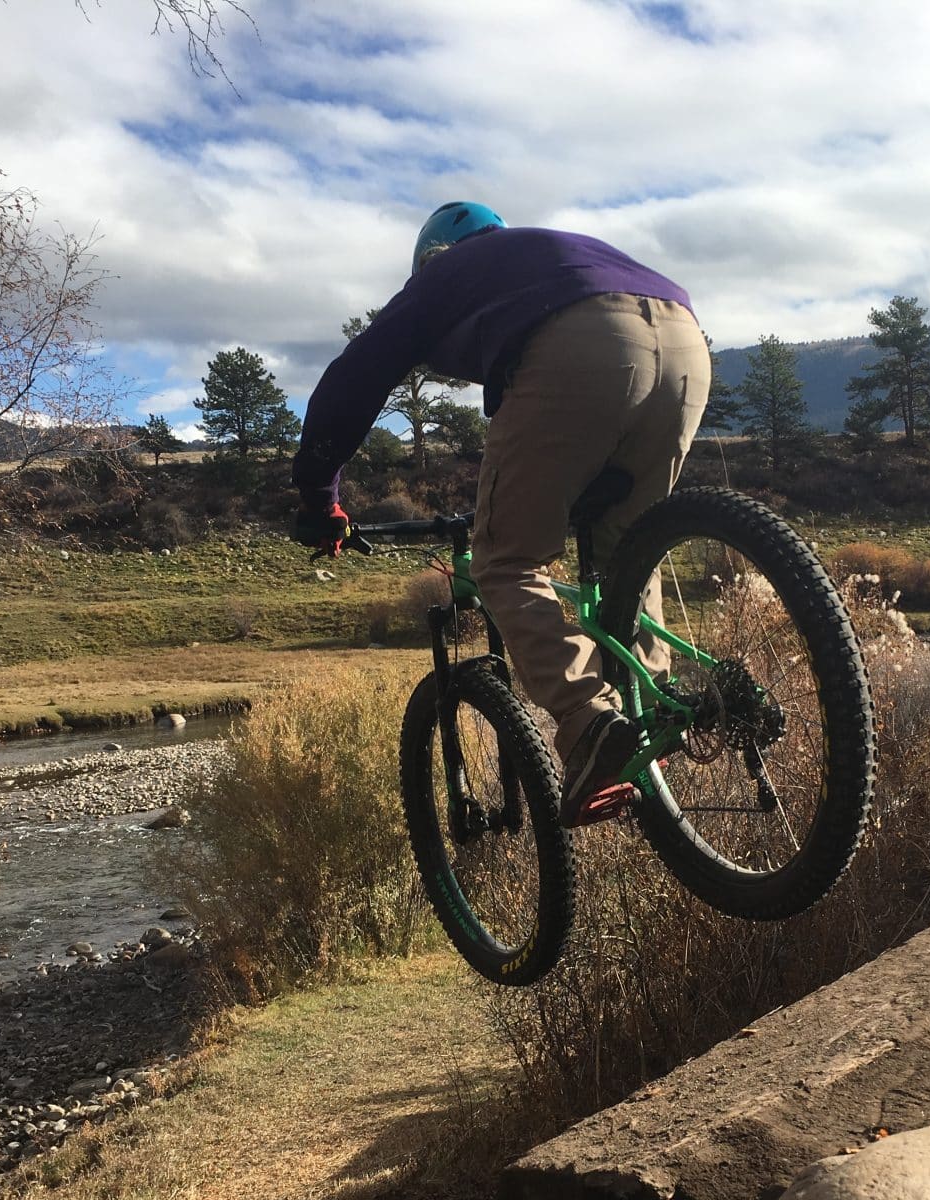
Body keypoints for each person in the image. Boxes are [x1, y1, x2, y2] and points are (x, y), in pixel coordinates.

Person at [290, 202, 712, 816]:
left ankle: (588, 722)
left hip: (582, 342)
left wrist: (319, 498)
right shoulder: (539, 254)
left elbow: (352, 379)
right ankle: (655, 706)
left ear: (431, 256)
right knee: (629, 549)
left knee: (508, 562)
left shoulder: (442, 274)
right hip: (685, 341)